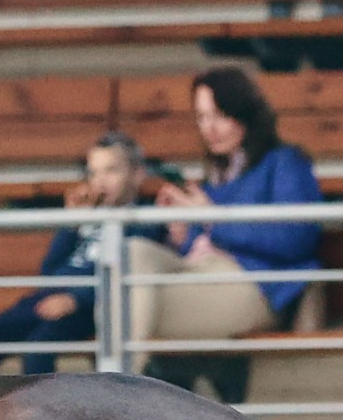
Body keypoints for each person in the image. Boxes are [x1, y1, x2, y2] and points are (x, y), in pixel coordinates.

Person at [137, 67, 323, 391]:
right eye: (201, 117)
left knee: (128, 301)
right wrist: (180, 234)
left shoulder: (283, 162)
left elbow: (296, 238)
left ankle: (119, 388)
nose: (209, 129)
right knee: (133, 254)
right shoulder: (212, 179)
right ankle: (128, 384)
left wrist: (211, 217)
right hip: (204, 278)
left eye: (220, 115)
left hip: (256, 285)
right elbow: (199, 248)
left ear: (245, 113)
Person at [0, 133, 166, 374]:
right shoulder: (87, 218)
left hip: (90, 306)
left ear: (137, 174)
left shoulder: (145, 222)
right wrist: (71, 224)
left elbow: (126, 274)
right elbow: (49, 270)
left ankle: (41, 400)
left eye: (111, 171)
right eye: (93, 173)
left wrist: (75, 299)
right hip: (50, 298)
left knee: (37, 351)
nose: (100, 182)